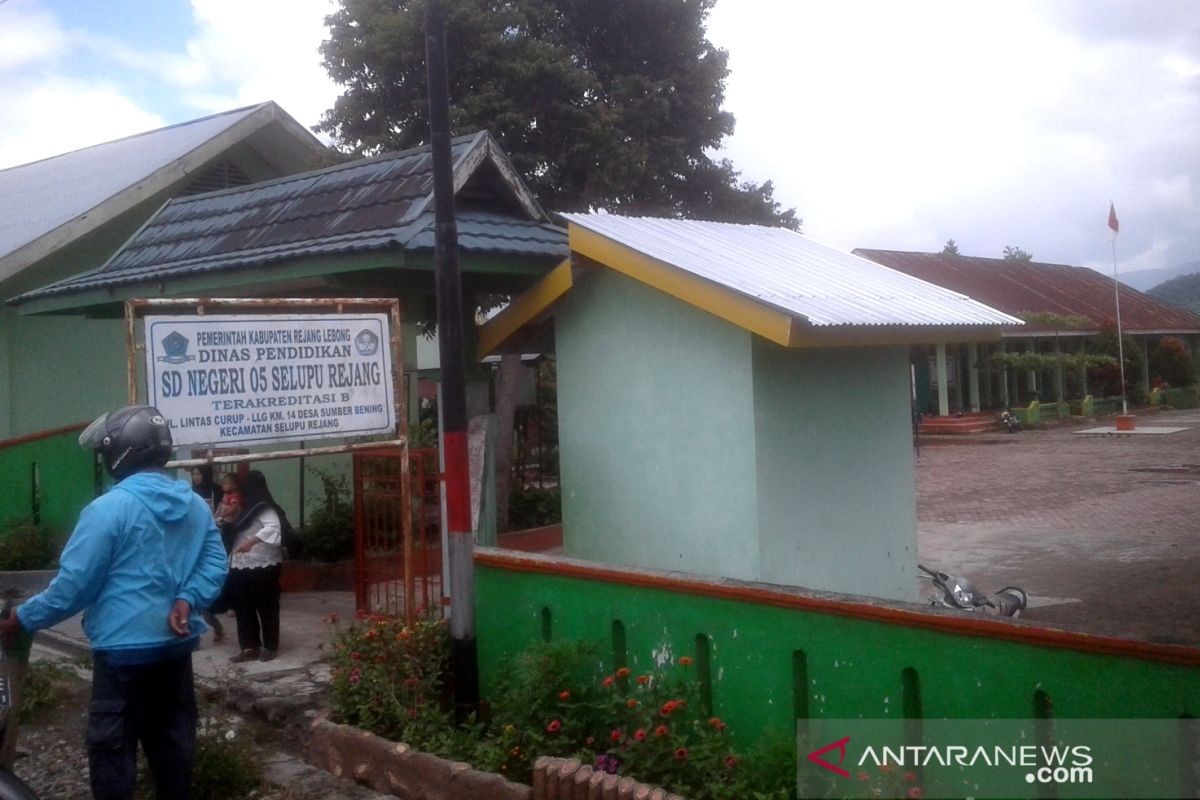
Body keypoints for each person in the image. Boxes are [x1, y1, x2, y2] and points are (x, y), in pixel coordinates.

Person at [0, 405, 227, 800]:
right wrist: (188, 600)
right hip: (175, 651)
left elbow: (74, 587)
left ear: (120, 452)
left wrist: (23, 616)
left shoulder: (107, 510)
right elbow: (213, 563)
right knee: (174, 756)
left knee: (112, 758)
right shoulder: (194, 505)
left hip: (122, 659)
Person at [226, 470, 288, 663]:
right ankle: (249, 646)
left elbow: (273, 528)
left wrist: (251, 542)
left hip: (264, 564)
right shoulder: (243, 506)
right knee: (243, 607)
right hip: (240, 563)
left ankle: (270, 646)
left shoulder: (264, 506)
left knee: (266, 605)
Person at [190, 464, 228, 644]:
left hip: (211, 536)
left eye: (199, 473)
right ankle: (194, 639)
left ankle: (217, 628)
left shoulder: (216, 491)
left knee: (205, 607)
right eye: (194, 474)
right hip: (193, 539)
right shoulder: (189, 493)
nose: (196, 477)